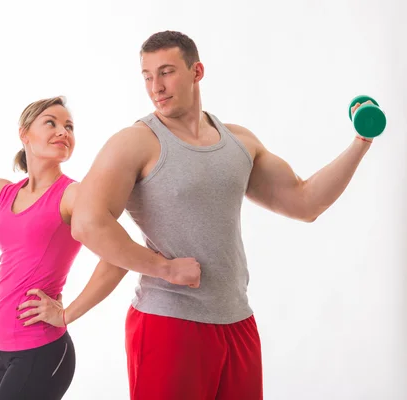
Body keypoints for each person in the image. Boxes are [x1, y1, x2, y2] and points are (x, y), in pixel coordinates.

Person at [26, 31, 375, 400]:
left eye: (166, 72)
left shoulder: (240, 141)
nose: (156, 87)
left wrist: (360, 142)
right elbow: (87, 223)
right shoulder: (136, 142)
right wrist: (164, 268)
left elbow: (306, 204)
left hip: (237, 320)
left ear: (197, 71)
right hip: (169, 324)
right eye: (147, 76)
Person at [0, 94, 195, 400]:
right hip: (0, 348)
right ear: (24, 134)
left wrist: (66, 314)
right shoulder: (1, 194)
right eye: (52, 123)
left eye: (69, 126)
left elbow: (118, 257)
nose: (63, 132)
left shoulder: (72, 196)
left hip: (41, 351)